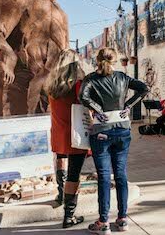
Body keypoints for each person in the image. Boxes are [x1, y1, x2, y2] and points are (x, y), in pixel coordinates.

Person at [79, 48, 148, 234]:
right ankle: (122, 219)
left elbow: (83, 97)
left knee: (103, 176)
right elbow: (144, 88)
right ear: (115, 60)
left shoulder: (91, 79)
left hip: (101, 130)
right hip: (123, 129)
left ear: (98, 59)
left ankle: (103, 222)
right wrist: (129, 105)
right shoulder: (122, 78)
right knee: (120, 174)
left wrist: (98, 110)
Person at [45, 49, 88, 228]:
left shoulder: (52, 85)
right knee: (74, 174)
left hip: (58, 131)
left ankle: (61, 194)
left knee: (60, 160)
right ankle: (69, 215)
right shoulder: (78, 85)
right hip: (75, 133)